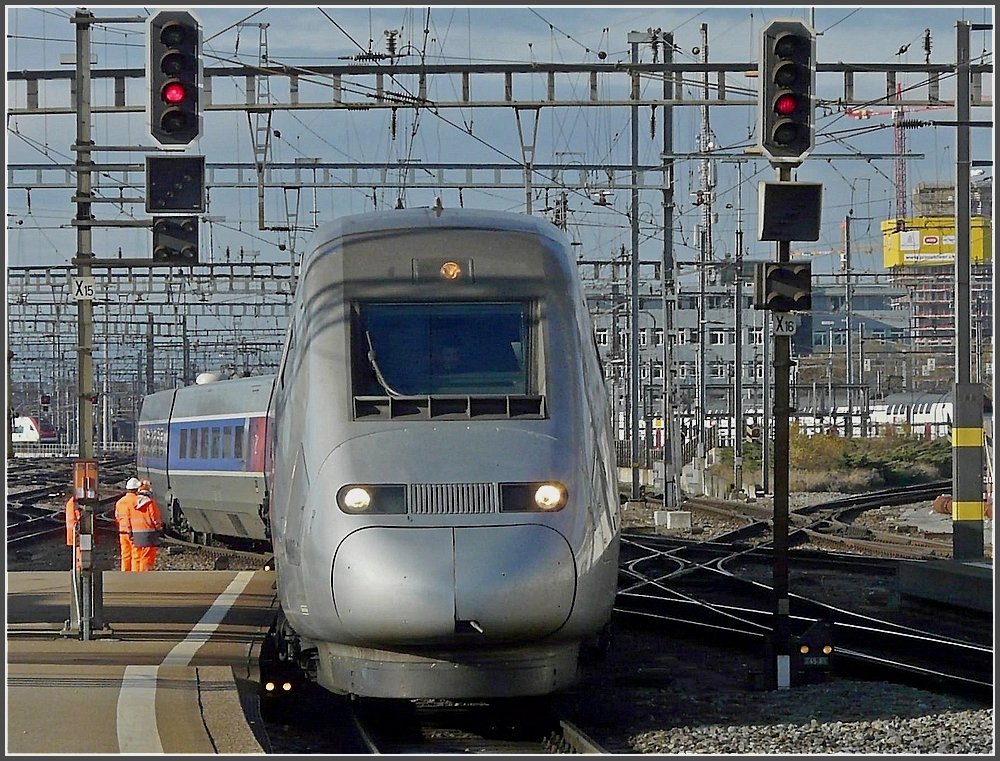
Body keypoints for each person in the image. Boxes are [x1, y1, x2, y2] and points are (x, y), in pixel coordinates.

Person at [131, 480, 164, 572]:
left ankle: (134, 575)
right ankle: (145, 576)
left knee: (137, 557)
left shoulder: (133, 502)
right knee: (147, 557)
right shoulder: (150, 503)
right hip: (148, 534)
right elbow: (155, 517)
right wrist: (159, 528)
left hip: (136, 534)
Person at [114, 478, 141, 572]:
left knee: (125, 554)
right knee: (135, 554)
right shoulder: (137, 501)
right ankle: (134, 575)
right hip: (133, 532)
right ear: (137, 489)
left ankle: (124, 573)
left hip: (122, 532)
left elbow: (117, 517)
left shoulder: (120, 502)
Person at [64, 490, 82, 570]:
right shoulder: (75, 504)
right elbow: (80, 518)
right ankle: (79, 569)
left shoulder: (70, 503)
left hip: (72, 533)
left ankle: (77, 568)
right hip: (77, 533)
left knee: (76, 552)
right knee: (80, 554)